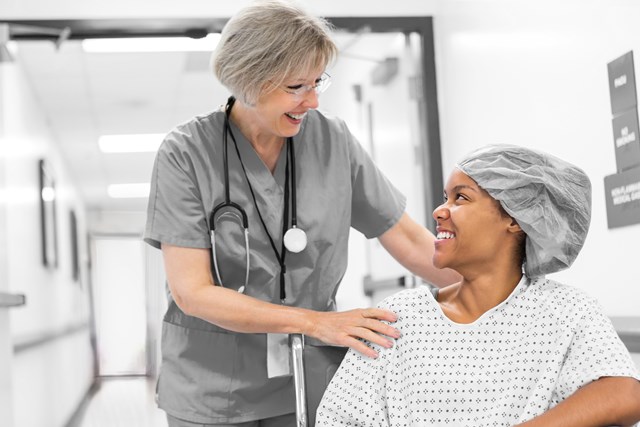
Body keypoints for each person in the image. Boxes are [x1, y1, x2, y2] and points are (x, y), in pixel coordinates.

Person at [143, 0, 459, 425]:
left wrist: (503, 292)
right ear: (249, 81)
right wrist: (315, 322)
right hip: (212, 387)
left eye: (317, 82)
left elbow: (407, 239)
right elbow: (191, 291)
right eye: (296, 87)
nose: (311, 101)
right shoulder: (186, 154)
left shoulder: (332, 141)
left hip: (308, 374)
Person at [317, 144, 640, 426]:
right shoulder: (398, 316)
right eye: (446, 197)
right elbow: (339, 418)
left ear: (516, 218)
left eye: (461, 198)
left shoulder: (565, 312)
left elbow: (623, 394)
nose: (439, 211)